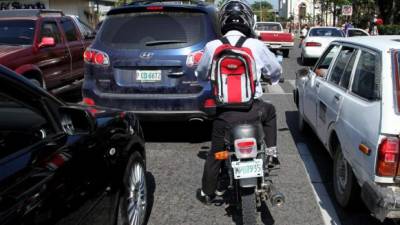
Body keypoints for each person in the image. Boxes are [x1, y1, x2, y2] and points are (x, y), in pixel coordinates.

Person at [195, 0, 282, 204]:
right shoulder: (256, 45)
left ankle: (208, 192)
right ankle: (271, 153)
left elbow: (200, 73)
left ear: (223, 21)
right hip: (253, 110)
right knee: (271, 112)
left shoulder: (212, 46)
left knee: (216, 153)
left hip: (224, 115)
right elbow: (275, 70)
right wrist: (274, 78)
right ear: (248, 21)